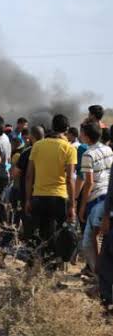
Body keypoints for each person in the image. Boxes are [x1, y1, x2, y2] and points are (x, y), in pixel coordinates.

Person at [25, 114, 77, 262]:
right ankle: (52, 267)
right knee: (57, 234)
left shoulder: (38, 145)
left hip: (38, 196)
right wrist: (72, 205)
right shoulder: (69, 148)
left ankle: (36, 265)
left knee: (39, 234)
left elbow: (29, 175)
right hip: (59, 198)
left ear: (52, 127)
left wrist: (28, 199)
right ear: (66, 129)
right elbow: (69, 179)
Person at [78, 122, 113, 274]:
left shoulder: (88, 154)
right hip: (108, 197)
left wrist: (82, 206)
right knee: (98, 238)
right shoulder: (108, 149)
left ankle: (99, 275)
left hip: (97, 199)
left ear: (86, 136)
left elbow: (89, 182)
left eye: (81, 133)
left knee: (91, 242)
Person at [0, 116, 12, 224]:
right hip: (6, 171)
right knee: (0, 197)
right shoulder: (6, 138)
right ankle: (2, 220)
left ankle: (4, 220)